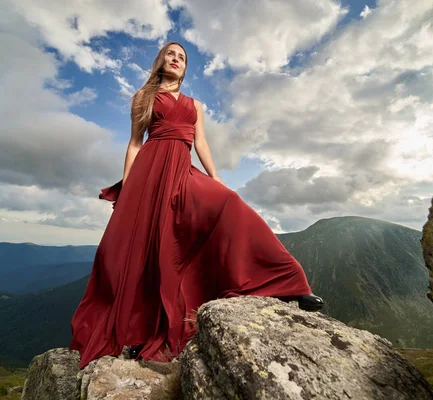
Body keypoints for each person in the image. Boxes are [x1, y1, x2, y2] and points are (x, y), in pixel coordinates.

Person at [69, 41, 324, 369]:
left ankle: (291, 284)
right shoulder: (143, 98)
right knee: (148, 251)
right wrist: (128, 187)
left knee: (230, 203)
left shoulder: (195, 105)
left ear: (185, 67)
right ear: (161, 61)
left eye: (182, 57)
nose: (176, 60)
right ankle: (139, 333)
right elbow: (134, 143)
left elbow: (199, 141)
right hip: (148, 173)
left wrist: (215, 178)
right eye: (170, 55)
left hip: (182, 168)